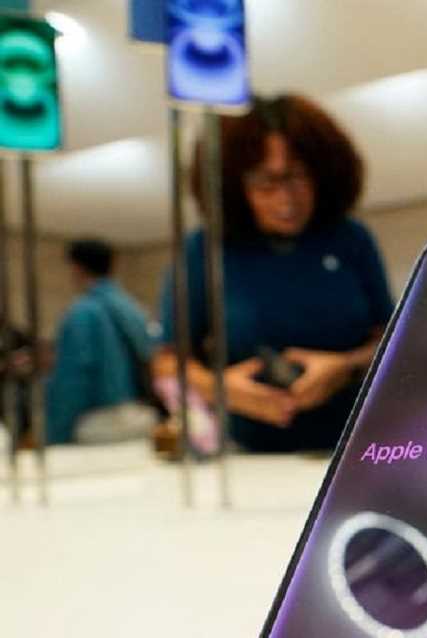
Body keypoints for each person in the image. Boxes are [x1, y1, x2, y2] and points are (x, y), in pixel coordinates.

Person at [154, 94, 393, 453]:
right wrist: (217, 387)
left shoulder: (351, 238)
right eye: (266, 183)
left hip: (361, 444)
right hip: (251, 452)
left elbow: (392, 340)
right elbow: (167, 362)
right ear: (234, 184)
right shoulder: (204, 250)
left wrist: (346, 367)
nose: (286, 199)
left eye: (298, 177)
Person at [45, 239, 158, 445]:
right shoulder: (133, 309)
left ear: (77, 268)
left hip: (98, 424)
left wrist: (57, 434)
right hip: (140, 416)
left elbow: (73, 379)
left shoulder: (82, 313)